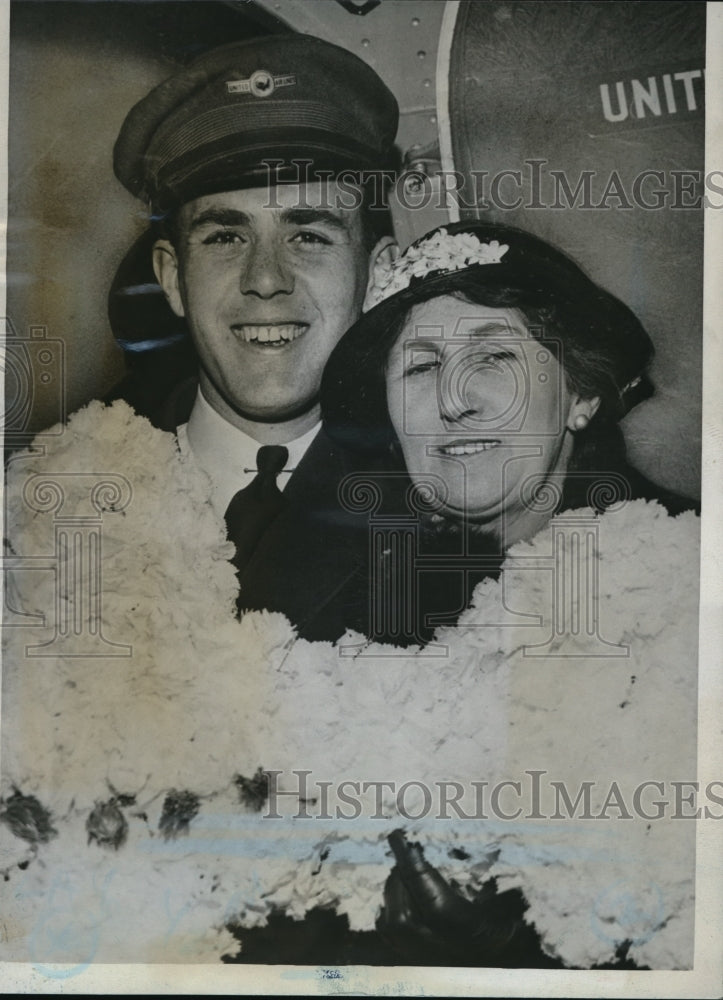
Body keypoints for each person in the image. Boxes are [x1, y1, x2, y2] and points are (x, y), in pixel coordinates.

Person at [111, 33, 400, 638]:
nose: (265, 280)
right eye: (224, 237)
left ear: (376, 274)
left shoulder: (452, 506)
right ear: (171, 278)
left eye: (309, 235)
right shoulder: (60, 500)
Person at [320, 219, 698, 646]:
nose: (453, 400)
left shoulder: (689, 577)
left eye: (495, 356)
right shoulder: (345, 615)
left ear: (582, 394)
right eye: (422, 366)